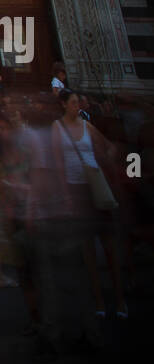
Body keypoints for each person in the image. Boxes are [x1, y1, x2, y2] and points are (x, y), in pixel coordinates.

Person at [51, 88, 126, 323]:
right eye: (73, 103)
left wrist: (109, 168)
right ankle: (99, 300)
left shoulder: (87, 126)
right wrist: (64, 194)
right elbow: (58, 163)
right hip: (77, 190)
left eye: (78, 103)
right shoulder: (57, 128)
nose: (78, 107)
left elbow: (109, 148)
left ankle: (120, 297)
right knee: (88, 251)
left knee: (109, 247)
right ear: (63, 105)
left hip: (95, 187)